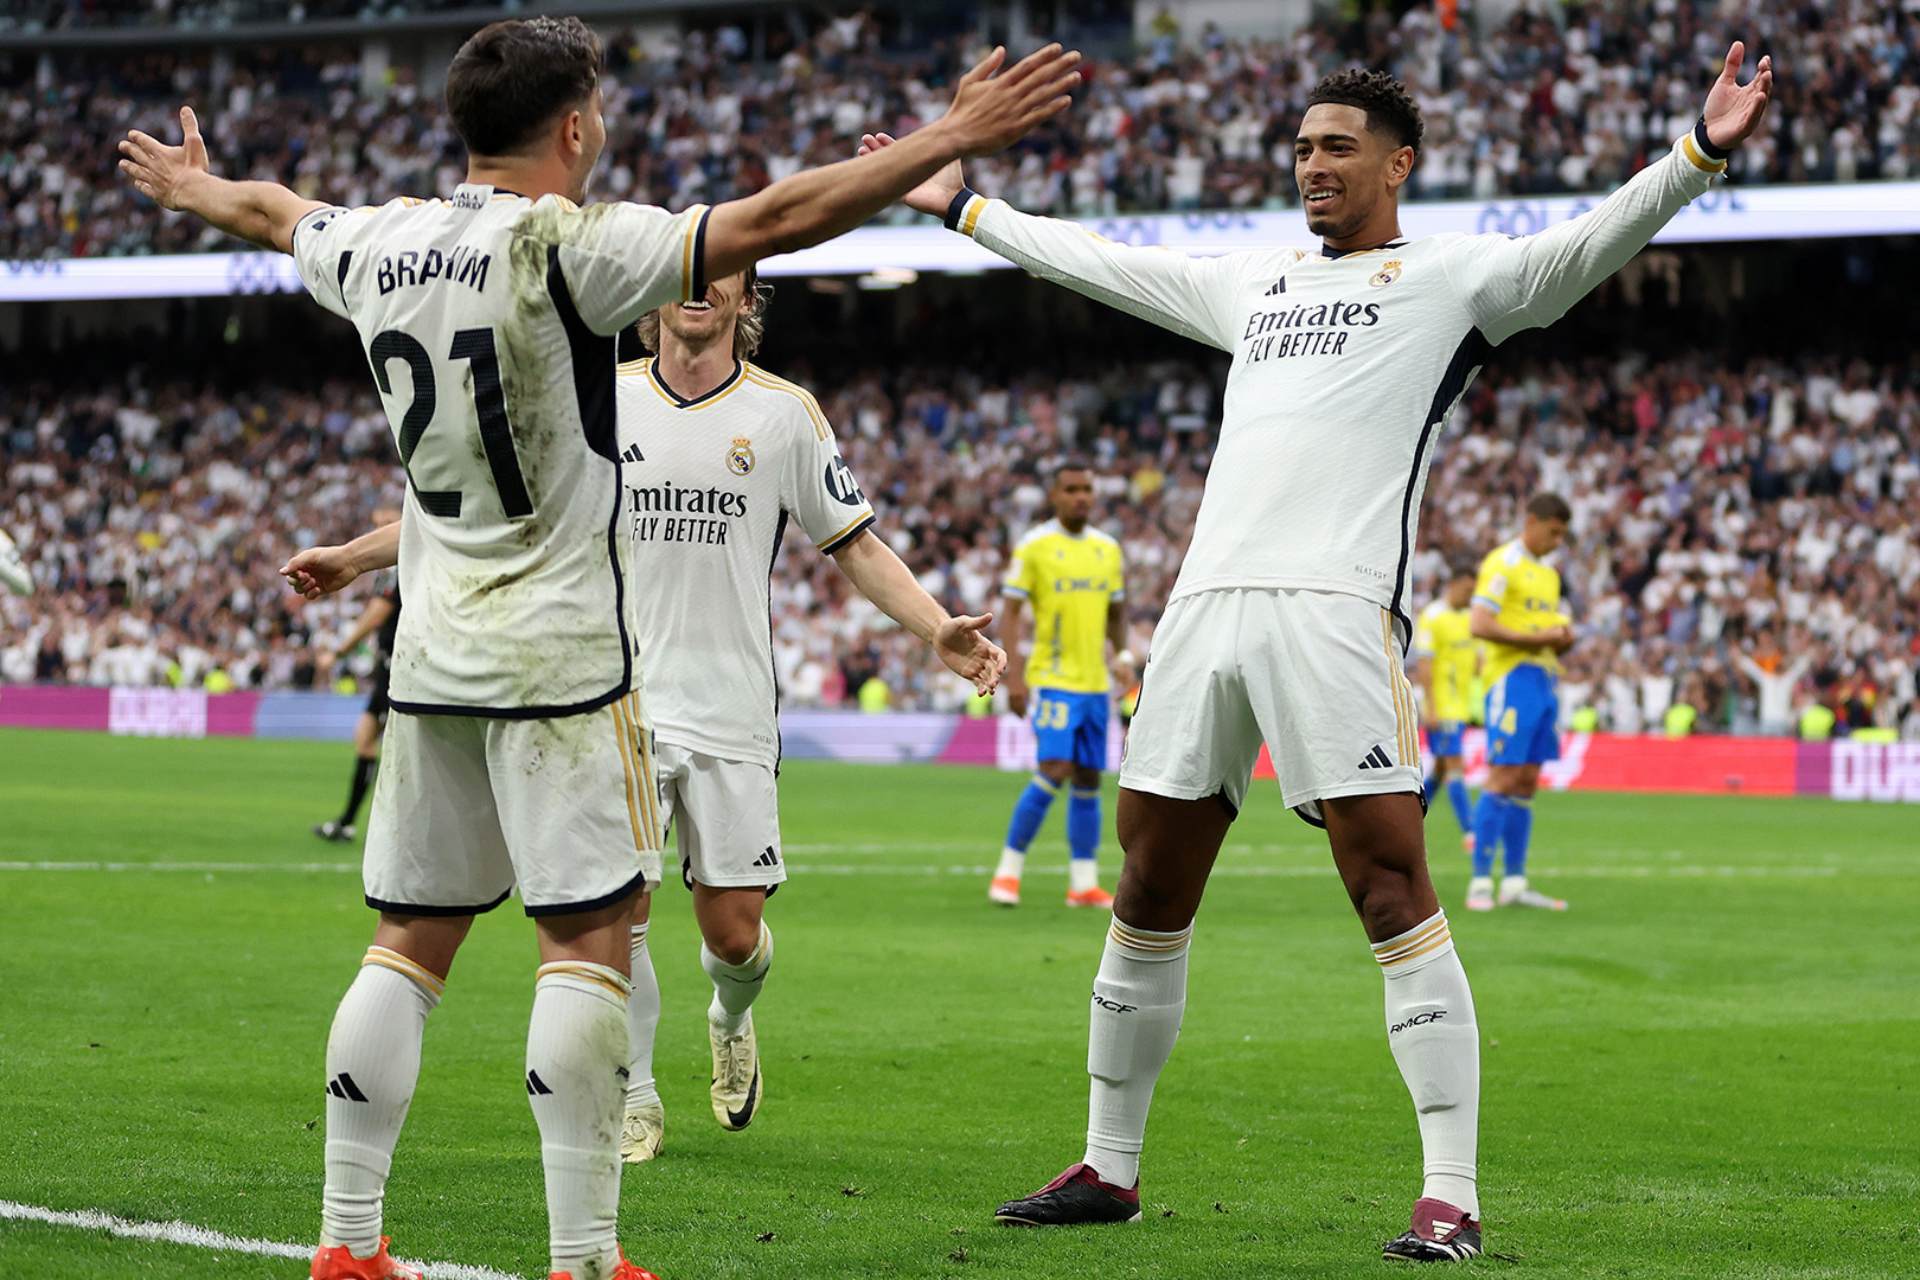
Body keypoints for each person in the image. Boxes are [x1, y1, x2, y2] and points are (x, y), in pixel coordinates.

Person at [123, 16, 1081, 1280]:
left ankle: (346, 1242)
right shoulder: (571, 245)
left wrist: (192, 189)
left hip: (433, 660)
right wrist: (948, 138)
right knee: (588, 945)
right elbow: (780, 216)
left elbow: (271, 210)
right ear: (574, 126)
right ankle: (584, 1254)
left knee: (405, 945)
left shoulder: (379, 239)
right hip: (563, 661)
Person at [862, 38, 1771, 1262]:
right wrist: (968, 207)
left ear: (1400, 164)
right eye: (1301, 147)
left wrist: (1697, 154)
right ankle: (1109, 1164)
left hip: (1336, 609)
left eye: (1338, 146)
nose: (1312, 165)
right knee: (1147, 883)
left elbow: (1586, 245)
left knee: (1388, 882)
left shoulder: (1454, 278)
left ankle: (1450, 1193)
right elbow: (1107, 264)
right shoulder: (1259, 282)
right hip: (1205, 606)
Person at [611, 267, 1007, 1160]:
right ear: (654, 295)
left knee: (734, 937)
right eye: (683, 270)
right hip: (623, 702)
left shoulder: (785, 414)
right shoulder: (603, 400)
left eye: (722, 271)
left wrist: (936, 628)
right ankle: (634, 1096)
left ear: (748, 301)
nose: (700, 284)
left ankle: (729, 1016)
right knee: (617, 910)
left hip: (732, 707)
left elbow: (854, 545)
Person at [989, 460, 1133, 909]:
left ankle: (1083, 884)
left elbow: (1116, 612)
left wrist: (1122, 657)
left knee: (1088, 777)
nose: (1081, 497)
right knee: (1054, 768)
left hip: (1095, 685)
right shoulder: (1035, 546)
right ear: (1054, 495)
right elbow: (1011, 611)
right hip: (1053, 680)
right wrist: (1013, 675)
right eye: (1071, 489)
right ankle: (1007, 873)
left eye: (1086, 488)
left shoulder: (1107, 549)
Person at [1466, 494, 1576, 913]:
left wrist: (1561, 639)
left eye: (1562, 535)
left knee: (1528, 779)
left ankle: (1514, 882)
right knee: (1504, 775)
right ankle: (1480, 882)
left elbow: (1544, 630)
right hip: (1510, 679)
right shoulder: (1503, 563)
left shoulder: (1548, 574)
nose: (1557, 541)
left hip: (1544, 678)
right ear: (1531, 521)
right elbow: (1480, 623)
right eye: (1553, 532)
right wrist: (1536, 639)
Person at [314, 512, 401, 844]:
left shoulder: (399, 566)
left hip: (400, 667)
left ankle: (391, 829)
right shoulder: (388, 572)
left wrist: (338, 653)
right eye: (376, 525)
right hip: (387, 667)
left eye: (387, 523)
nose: (380, 530)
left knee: (398, 751)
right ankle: (349, 823)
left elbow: (376, 616)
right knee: (365, 738)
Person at [1412, 561, 1478, 853]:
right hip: (1442, 706)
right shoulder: (1433, 616)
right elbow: (1425, 664)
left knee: (1440, 770)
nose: (1469, 596)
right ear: (1452, 585)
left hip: (1460, 705)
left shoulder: (1468, 617)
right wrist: (1431, 706)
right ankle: (1472, 832)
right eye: (1466, 590)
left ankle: (1410, 818)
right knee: (1454, 766)